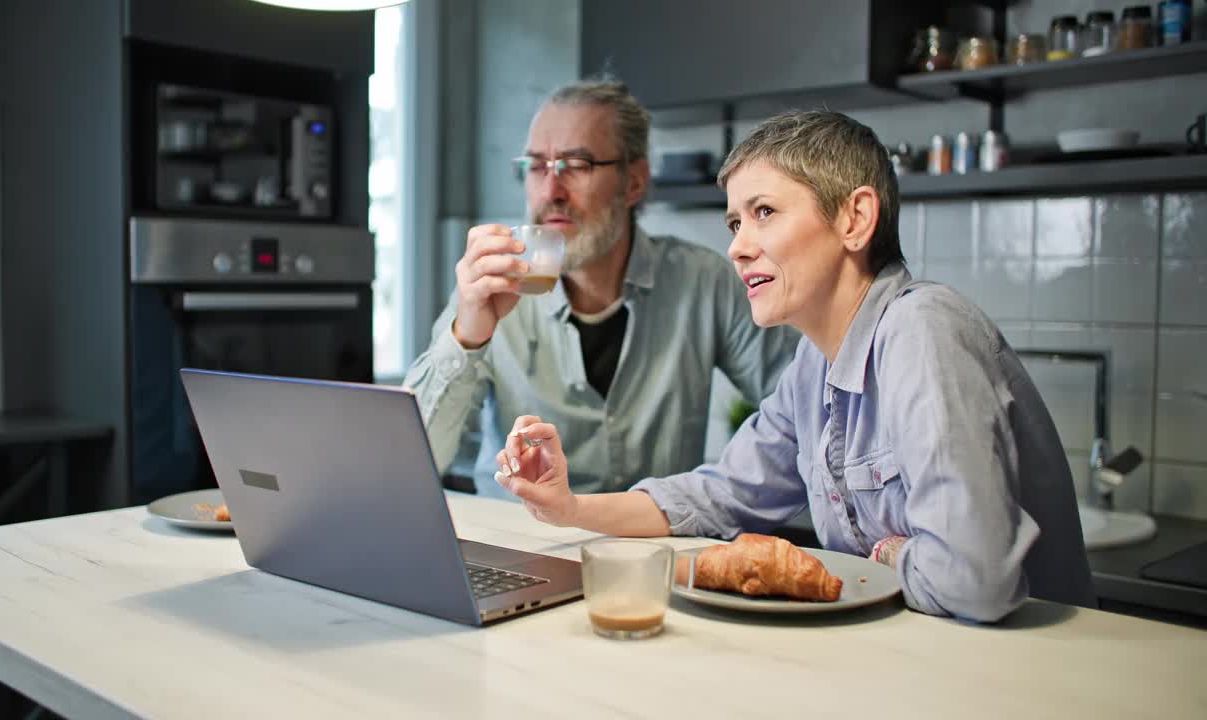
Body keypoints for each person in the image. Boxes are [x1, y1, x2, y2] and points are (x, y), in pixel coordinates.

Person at [492, 110, 1095, 623]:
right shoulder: (814, 366)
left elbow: (976, 582)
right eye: (734, 221)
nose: (737, 245)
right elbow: (720, 495)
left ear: (855, 219)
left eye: (764, 212)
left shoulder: (922, 331)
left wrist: (885, 558)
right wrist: (568, 509)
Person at [404, 79, 798, 497]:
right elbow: (415, 462)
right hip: (521, 549)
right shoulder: (488, 287)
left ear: (634, 182)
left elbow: (803, 407)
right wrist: (467, 336)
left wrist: (726, 491)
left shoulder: (702, 281)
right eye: (537, 166)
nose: (551, 192)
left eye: (576, 166)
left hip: (650, 553)